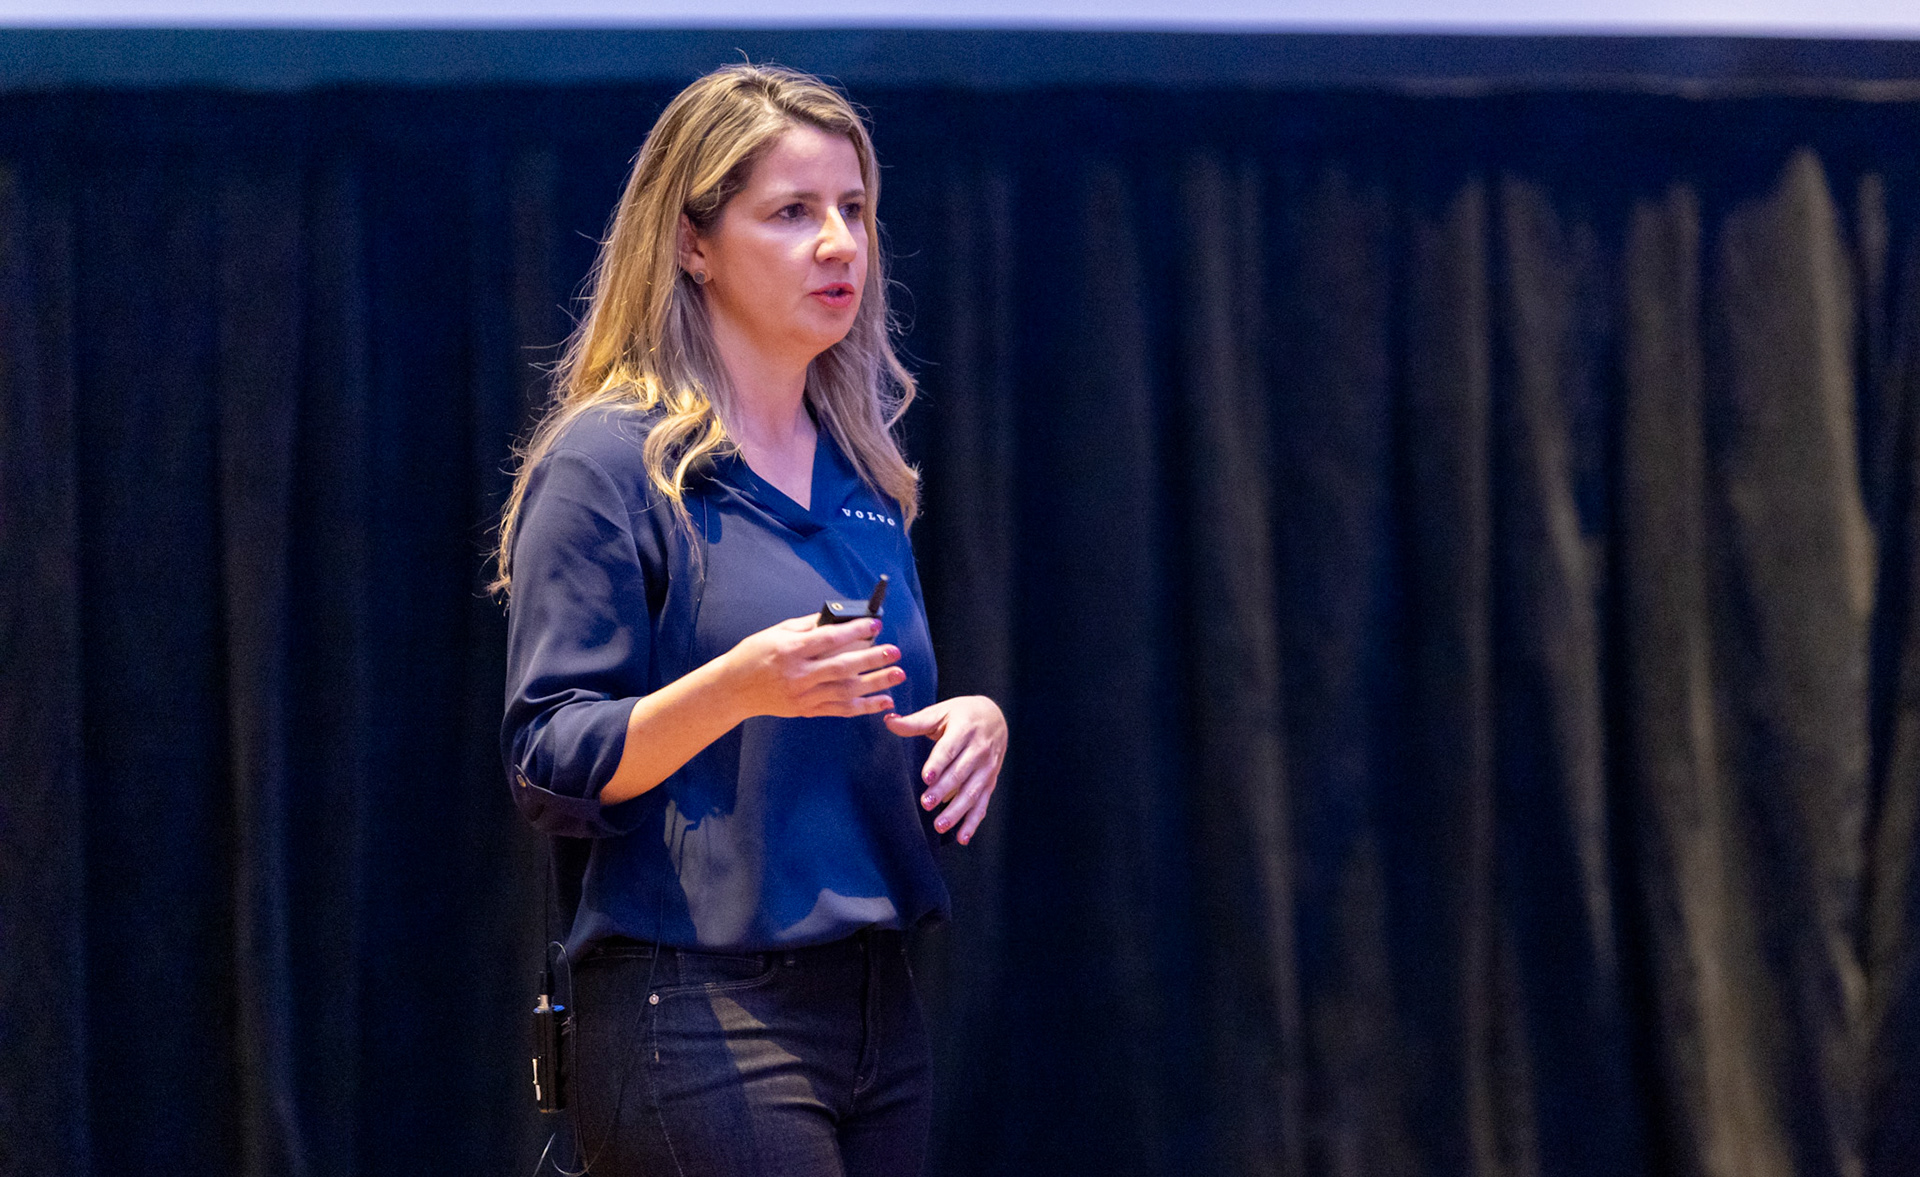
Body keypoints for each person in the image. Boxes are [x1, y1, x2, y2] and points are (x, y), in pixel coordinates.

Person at [495, 64, 1008, 1177]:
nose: (838, 243)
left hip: (875, 1010)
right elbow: (547, 756)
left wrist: (968, 723)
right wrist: (738, 685)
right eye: (791, 212)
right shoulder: (609, 464)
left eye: (854, 210)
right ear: (692, 242)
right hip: (694, 1009)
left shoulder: (866, 476)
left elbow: (848, 718)